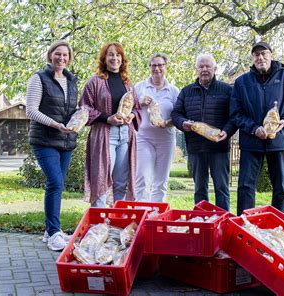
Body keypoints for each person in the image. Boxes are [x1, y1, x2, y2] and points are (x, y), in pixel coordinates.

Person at [230, 41, 284, 215]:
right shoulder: (242, 82)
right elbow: (235, 113)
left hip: (279, 141)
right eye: (256, 55)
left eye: (264, 53)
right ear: (252, 58)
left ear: (271, 55)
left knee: (280, 186)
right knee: (245, 186)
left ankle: (278, 224)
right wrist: (254, 128)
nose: (261, 58)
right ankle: (244, 224)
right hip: (252, 141)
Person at [26, 40, 78, 251]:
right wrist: (54, 124)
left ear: (69, 58)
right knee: (55, 181)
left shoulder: (72, 80)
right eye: (58, 54)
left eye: (65, 55)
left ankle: (50, 231)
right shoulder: (39, 79)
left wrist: (79, 119)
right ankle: (55, 231)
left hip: (66, 141)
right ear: (50, 55)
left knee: (57, 184)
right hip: (45, 139)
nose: (61, 58)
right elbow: (31, 110)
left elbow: (73, 109)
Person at [171, 54, 236, 211]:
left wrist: (227, 131)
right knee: (200, 189)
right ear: (196, 69)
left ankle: (224, 222)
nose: (204, 69)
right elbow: (176, 114)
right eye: (201, 66)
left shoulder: (227, 90)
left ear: (215, 68)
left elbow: (235, 116)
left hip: (219, 148)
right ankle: (202, 222)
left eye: (208, 66)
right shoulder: (186, 91)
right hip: (196, 148)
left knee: (222, 189)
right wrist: (182, 123)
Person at [80, 42, 141, 208]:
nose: (115, 58)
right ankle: (97, 224)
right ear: (104, 59)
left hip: (125, 136)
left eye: (118, 55)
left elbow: (136, 108)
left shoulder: (127, 83)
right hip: (105, 135)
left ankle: (116, 220)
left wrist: (131, 115)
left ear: (122, 59)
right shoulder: (95, 82)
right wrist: (107, 118)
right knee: (101, 179)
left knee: (121, 181)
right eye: (111, 55)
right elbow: (84, 108)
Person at [134, 53, 179, 202]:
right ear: (149, 67)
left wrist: (168, 122)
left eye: (160, 65)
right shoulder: (139, 87)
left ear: (165, 67)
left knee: (161, 181)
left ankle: (156, 215)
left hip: (166, 139)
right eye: (153, 65)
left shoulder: (173, 90)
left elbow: (179, 115)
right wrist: (139, 102)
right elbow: (128, 110)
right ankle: (142, 214)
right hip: (143, 138)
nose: (157, 68)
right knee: (142, 178)